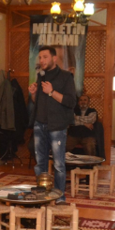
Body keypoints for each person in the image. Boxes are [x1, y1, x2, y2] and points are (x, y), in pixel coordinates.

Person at [28, 46, 77, 194]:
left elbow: (71, 102)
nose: (42, 60)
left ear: (54, 59)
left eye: (45, 57)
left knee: (58, 164)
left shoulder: (66, 76)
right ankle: (42, 193)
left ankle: (59, 196)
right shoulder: (41, 76)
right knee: (40, 163)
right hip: (39, 124)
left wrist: (52, 92)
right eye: (40, 57)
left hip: (57, 126)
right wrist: (34, 94)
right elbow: (38, 102)